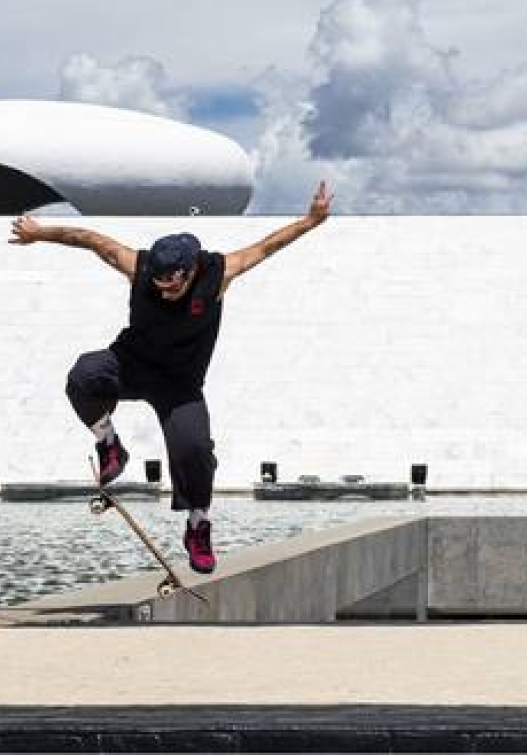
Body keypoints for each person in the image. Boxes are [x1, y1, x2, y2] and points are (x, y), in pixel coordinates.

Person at [8, 181, 334, 575]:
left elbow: (265, 247)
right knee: (84, 375)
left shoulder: (219, 273)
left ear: (190, 270)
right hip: (132, 363)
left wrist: (311, 221)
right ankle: (109, 445)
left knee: (194, 450)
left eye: (173, 286)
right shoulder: (138, 265)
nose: (164, 292)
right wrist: (40, 234)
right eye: (158, 285)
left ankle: (197, 526)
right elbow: (90, 238)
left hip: (180, 384)